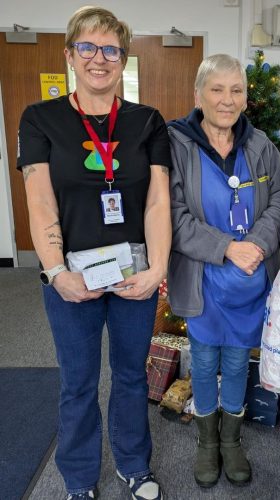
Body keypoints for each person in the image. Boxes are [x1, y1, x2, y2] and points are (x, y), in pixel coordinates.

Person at [17, 6, 171, 500]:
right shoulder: (41, 119)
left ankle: (133, 465)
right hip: (72, 277)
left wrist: (158, 270)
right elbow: (39, 199)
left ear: (123, 57)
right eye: (88, 47)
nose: (99, 58)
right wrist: (57, 272)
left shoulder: (147, 121)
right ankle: (80, 479)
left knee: (130, 376)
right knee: (78, 383)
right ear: (70, 54)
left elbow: (157, 200)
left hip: (133, 274)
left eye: (110, 49)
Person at [167, 54, 280, 488]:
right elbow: (173, 216)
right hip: (202, 276)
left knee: (238, 360)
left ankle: (232, 441)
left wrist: (256, 244)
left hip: (250, 277)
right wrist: (227, 248)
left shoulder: (260, 146)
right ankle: (207, 443)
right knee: (203, 361)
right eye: (217, 89)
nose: (227, 99)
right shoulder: (175, 145)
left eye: (236, 90)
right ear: (198, 94)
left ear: (245, 96)